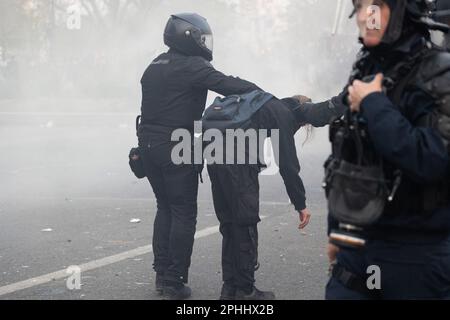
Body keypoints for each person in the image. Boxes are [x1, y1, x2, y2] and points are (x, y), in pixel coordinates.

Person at [325, 0, 450, 300]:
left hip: (415, 254)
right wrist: (337, 231)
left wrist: (374, 104)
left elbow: (432, 160)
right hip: (357, 247)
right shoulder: (367, 67)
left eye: (376, 5)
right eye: (359, 5)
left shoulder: (439, 72)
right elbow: (348, 156)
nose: (365, 16)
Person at [137, 13, 262, 300]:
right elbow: (228, 84)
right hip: (175, 144)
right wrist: (261, 93)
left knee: (165, 207)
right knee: (183, 211)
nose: (206, 44)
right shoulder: (193, 65)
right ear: (189, 37)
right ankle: (173, 282)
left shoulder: (154, 65)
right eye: (202, 38)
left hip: (147, 144)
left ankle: (161, 274)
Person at [205, 93, 346, 300]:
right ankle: (245, 290)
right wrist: (301, 204)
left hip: (215, 157)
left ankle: (230, 288)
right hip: (239, 163)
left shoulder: (261, 107)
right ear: (302, 112)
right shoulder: (284, 114)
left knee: (229, 224)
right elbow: (288, 165)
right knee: (245, 223)